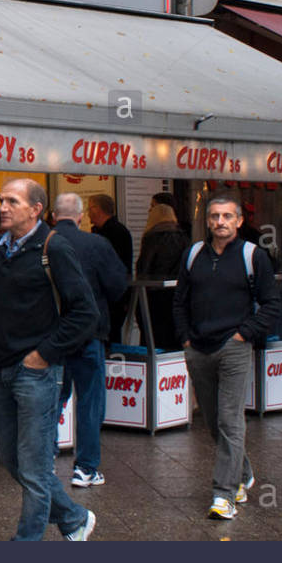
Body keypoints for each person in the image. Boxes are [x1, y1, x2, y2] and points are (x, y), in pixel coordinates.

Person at [0, 178, 99, 541]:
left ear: (35, 210)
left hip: (36, 373)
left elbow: (85, 312)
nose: (2, 206)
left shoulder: (54, 247)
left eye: (12, 201)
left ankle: (26, 541)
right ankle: (74, 517)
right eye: (1, 200)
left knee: (34, 466)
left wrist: (44, 354)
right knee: (14, 461)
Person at [172, 193, 280, 521]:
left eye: (227, 216)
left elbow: (272, 304)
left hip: (233, 347)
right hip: (198, 349)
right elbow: (179, 301)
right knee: (213, 419)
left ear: (239, 221)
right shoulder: (193, 254)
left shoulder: (253, 256)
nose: (220, 222)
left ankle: (224, 495)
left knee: (229, 420)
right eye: (215, 216)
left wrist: (242, 334)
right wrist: (186, 339)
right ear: (207, 220)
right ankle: (243, 472)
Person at [50, 194, 128, 488]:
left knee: (52, 399)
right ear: (80, 216)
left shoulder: (42, 243)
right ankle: (85, 467)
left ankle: (46, 457)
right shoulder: (97, 244)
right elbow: (118, 286)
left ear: (53, 216)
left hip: (51, 336)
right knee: (90, 401)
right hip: (89, 334)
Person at [137, 200, 190, 350]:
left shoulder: (152, 237)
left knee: (155, 341)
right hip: (179, 295)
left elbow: (144, 267)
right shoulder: (184, 238)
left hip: (156, 297)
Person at [88, 193, 133, 343]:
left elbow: (114, 267)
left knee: (111, 338)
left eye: (89, 208)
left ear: (97, 209)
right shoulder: (102, 232)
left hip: (112, 297)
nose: (88, 213)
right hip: (110, 296)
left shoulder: (115, 232)